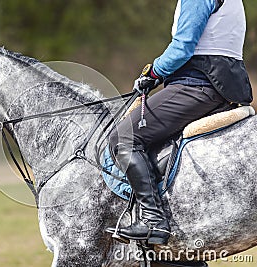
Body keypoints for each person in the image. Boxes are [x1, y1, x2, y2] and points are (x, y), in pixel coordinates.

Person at [107, 0, 253, 245]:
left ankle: (153, 220)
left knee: (123, 138)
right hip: (225, 87)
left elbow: (182, 48)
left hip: (197, 85)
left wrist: (152, 73)